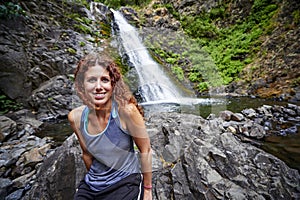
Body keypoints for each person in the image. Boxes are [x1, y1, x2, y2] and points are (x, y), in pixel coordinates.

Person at [68, 51, 152, 200]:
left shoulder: (127, 111)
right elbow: (87, 155)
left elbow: (145, 150)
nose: (98, 86)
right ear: (82, 85)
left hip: (124, 184)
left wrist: (147, 191)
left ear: (113, 84)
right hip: (92, 186)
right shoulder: (76, 117)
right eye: (92, 80)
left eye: (105, 80)